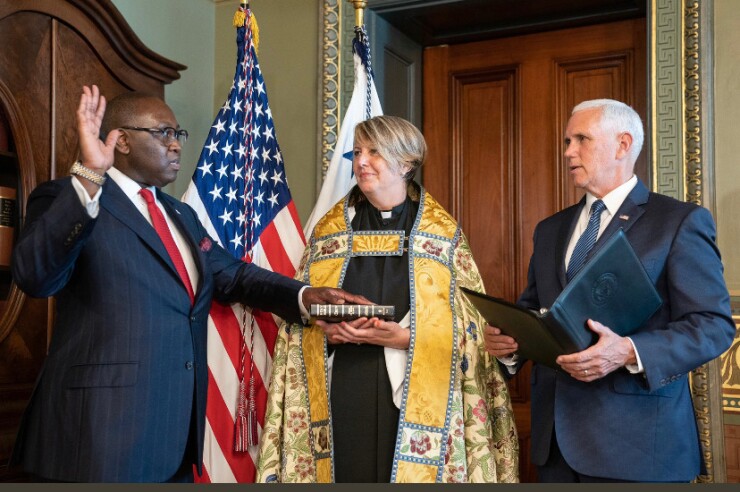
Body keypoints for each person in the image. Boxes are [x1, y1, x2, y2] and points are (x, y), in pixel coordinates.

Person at [9, 85, 368, 483]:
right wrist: (89, 178)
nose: (176, 145)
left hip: (176, 434)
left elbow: (233, 274)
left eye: (178, 134)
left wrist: (305, 296)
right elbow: (35, 276)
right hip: (98, 435)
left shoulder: (180, 213)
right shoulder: (65, 197)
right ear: (121, 140)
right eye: (163, 133)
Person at [256, 115, 519, 483]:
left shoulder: (441, 235)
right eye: (358, 151)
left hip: (419, 387)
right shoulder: (329, 232)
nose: (361, 161)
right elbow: (298, 315)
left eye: (375, 152)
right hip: (343, 384)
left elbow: (473, 327)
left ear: (407, 163)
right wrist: (323, 331)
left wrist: (407, 338)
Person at [484, 99, 735, 483]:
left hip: (637, 449)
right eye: (567, 140)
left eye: (581, 139)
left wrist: (629, 352)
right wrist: (511, 344)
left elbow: (713, 325)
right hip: (553, 448)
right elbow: (535, 311)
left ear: (622, 145)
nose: (568, 151)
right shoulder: (550, 229)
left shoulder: (679, 222)